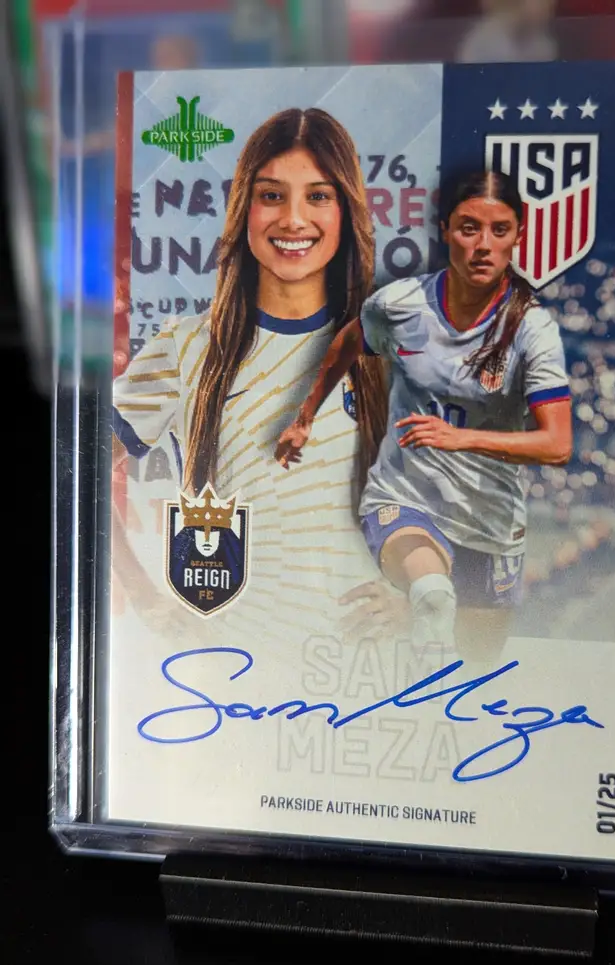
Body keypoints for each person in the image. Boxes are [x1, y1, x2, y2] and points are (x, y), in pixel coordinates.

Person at [112, 106, 405, 647]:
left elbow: (454, 500)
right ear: (243, 208)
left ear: (347, 211)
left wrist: (414, 599)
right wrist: (146, 596)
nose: (293, 219)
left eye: (318, 196)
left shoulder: (391, 352)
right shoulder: (185, 348)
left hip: (362, 669)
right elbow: (80, 468)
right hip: (230, 665)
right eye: (272, 195)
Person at [276, 169, 572, 662]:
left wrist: (460, 437)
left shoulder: (531, 330)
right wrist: (305, 416)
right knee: (432, 595)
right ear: (445, 230)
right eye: (469, 228)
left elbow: (557, 444)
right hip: (406, 499)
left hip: (490, 525)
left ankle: (442, 681)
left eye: (499, 230)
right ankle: (416, 654)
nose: (483, 245)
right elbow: (351, 340)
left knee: (478, 663)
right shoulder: (402, 304)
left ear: (518, 236)